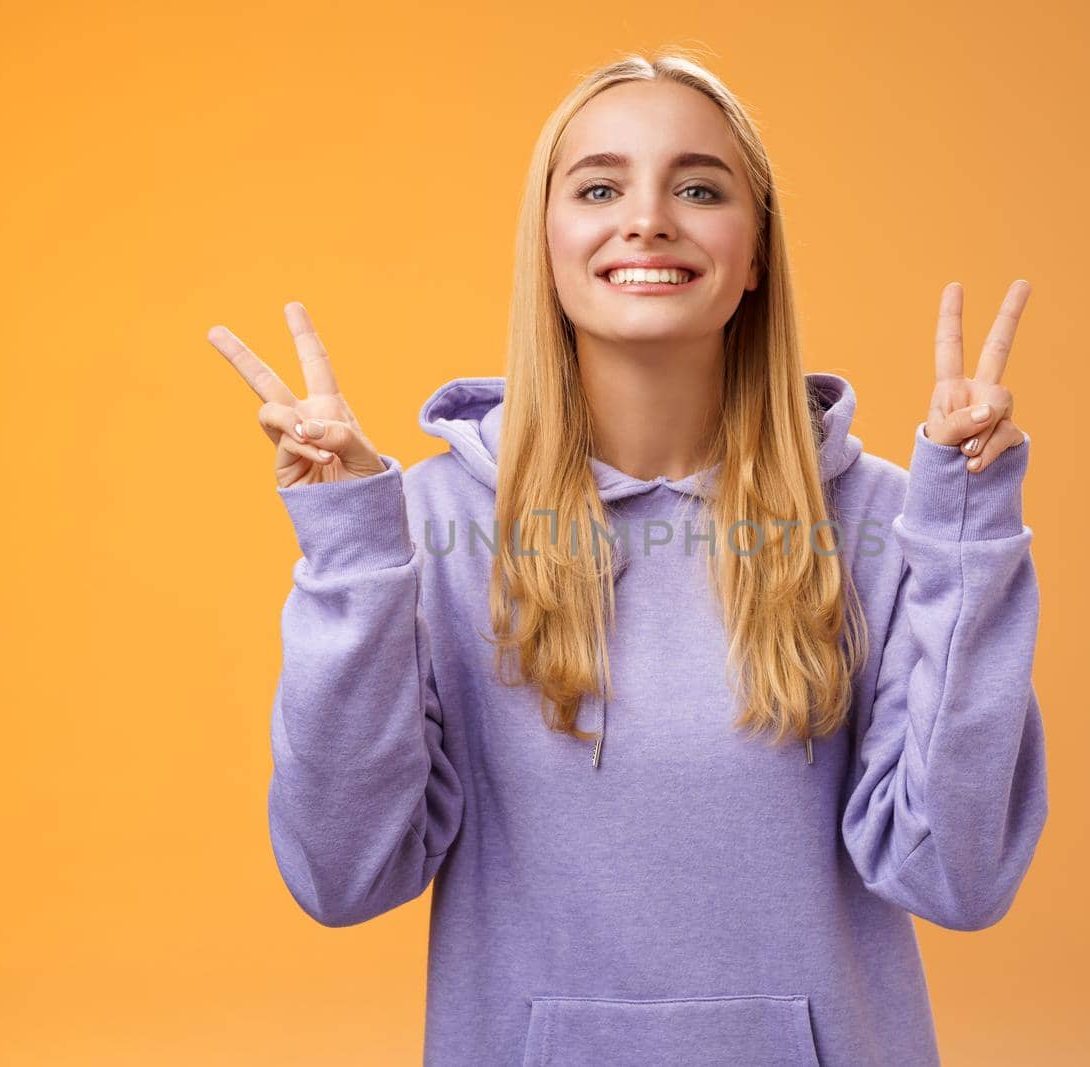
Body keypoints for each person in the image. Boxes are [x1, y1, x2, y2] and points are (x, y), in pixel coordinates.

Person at [207, 49, 1047, 1067]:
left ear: (755, 257)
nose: (647, 218)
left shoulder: (885, 521)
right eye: (600, 186)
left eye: (698, 187)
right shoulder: (420, 525)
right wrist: (347, 549)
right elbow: (344, 875)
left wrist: (967, 532)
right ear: (547, 247)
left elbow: (954, 876)